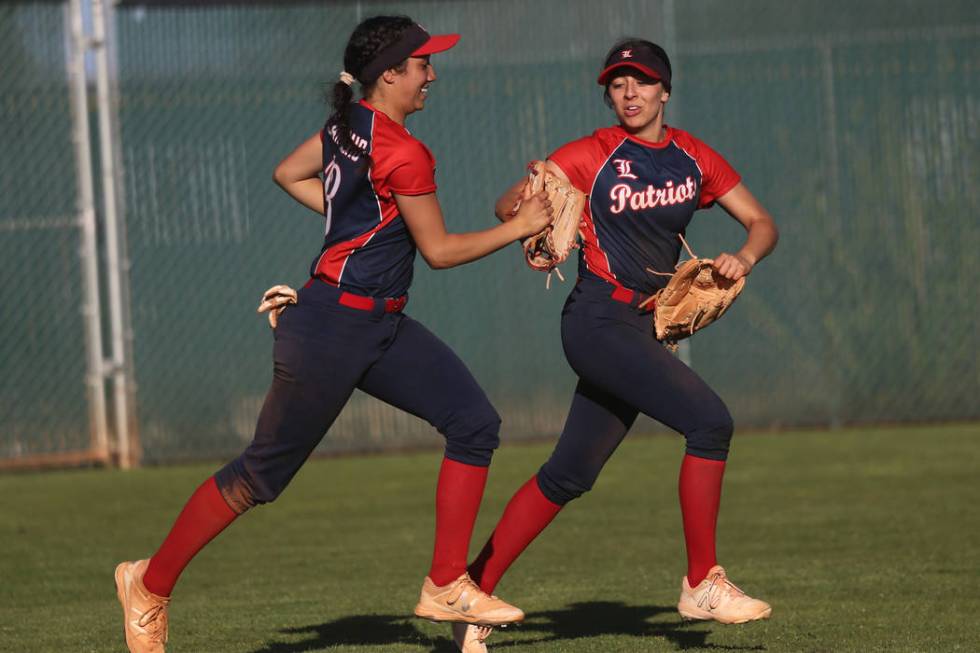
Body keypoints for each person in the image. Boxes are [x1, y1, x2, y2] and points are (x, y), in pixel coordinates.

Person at [113, 15, 552, 653]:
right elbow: (439, 250)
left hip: (379, 323)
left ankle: (444, 583)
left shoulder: (348, 129)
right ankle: (148, 584)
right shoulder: (403, 149)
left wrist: (354, 217)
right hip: (330, 328)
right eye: (422, 63)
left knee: (474, 423)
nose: (432, 73)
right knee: (258, 478)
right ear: (389, 74)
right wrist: (520, 227)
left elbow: (287, 174)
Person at [452, 38, 780, 652]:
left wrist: (745, 256)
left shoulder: (692, 157)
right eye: (618, 82)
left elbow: (762, 222)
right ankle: (701, 582)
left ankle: (471, 594)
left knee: (569, 473)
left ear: (666, 90)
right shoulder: (593, 154)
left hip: (643, 326)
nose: (629, 92)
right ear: (609, 93)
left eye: (643, 81)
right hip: (597, 320)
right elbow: (508, 204)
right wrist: (531, 204)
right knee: (710, 422)